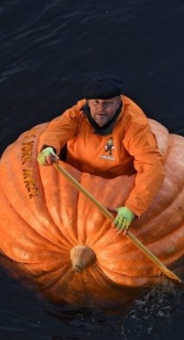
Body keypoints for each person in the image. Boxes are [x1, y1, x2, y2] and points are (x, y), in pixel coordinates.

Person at [37, 74, 165, 235]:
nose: (100, 108)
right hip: (74, 178)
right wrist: (48, 147)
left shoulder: (134, 125)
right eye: (95, 102)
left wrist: (133, 207)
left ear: (119, 102)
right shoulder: (78, 113)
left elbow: (152, 166)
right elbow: (58, 129)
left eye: (107, 103)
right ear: (88, 102)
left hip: (113, 187)